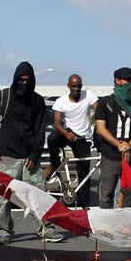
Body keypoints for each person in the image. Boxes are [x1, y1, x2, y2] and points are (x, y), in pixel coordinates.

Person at [0, 61, 60, 243]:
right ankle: (4, 232)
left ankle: (47, 230)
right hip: (7, 158)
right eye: (21, 80)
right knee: (4, 199)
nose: (23, 84)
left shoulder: (37, 101)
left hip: (29, 160)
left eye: (27, 80)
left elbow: (40, 130)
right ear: (15, 79)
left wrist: (35, 154)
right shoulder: (3, 97)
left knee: (39, 196)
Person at [45, 74, 97, 208]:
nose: (76, 89)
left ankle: (84, 204)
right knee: (52, 138)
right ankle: (54, 163)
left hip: (82, 137)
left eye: (79, 86)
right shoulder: (61, 101)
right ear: (68, 86)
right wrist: (67, 134)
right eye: (73, 86)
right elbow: (57, 123)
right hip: (67, 133)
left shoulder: (88, 95)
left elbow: (100, 110)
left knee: (84, 171)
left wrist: (101, 120)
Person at [95, 70, 131, 209]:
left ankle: (129, 227)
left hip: (130, 156)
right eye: (127, 79)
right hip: (110, 156)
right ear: (118, 81)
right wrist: (118, 144)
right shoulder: (105, 102)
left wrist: (129, 145)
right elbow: (100, 128)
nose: (130, 83)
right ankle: (106, 228)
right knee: (106, 195)